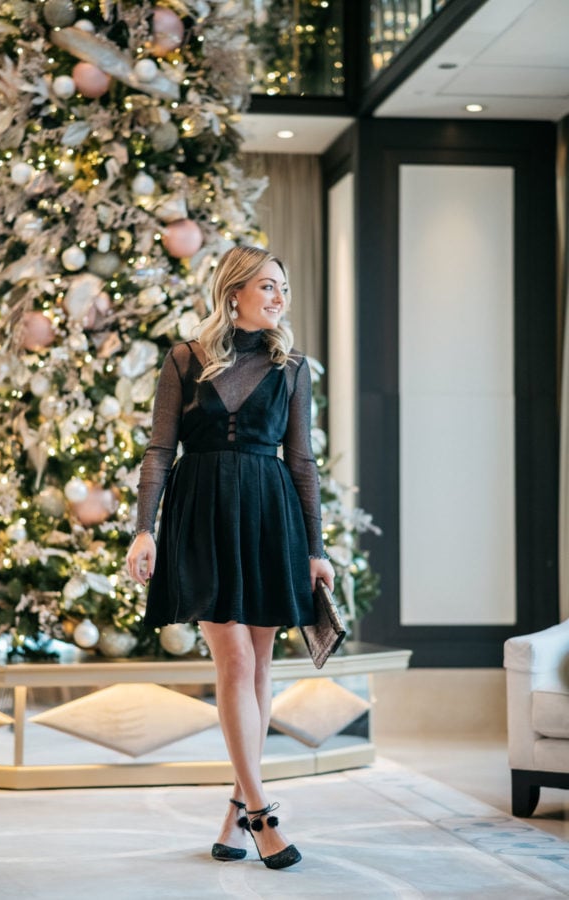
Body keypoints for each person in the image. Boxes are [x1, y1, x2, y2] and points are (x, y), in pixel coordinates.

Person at [126, 245, 334, 870]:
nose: (279, 298)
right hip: (202, 514)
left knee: (261, 663)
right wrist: (144, 530)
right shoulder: (184, 360)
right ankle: (263, 813)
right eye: (267, 286)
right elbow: (160, 451)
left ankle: (237, 807)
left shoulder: (291, 367)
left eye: (284, 288)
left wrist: (316, 549)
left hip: (269, 515)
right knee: (235, 657)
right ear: (233, 292)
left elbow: (301, 461)